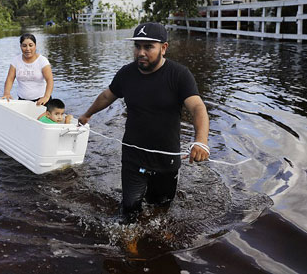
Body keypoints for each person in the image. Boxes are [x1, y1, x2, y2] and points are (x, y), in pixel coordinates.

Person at [78, 22, 210, 223]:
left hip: (166, 158)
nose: (141, 52)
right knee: (130, 206)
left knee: (161, 206)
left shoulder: (179, 75)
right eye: (138, 46)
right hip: (133, 156)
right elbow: (107, 96)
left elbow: (197, 108)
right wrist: (87, 114)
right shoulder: (126, 73)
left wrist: (201, 141)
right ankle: (130, 246)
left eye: (148, 47)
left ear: (163, 48)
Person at [2, 33, 53, 106]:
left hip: (42, 101)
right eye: (24, 46)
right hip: (22, 101)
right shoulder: (15, 61)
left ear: (35, 46)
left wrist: (46, 96)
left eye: (30, 45)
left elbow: (50, 80)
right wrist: (6, 93)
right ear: (20, 46)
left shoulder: (42, 61)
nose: (27, 49)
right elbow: (10, 79)